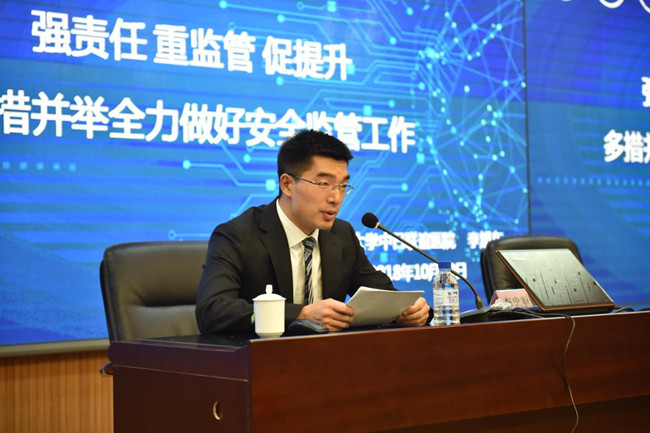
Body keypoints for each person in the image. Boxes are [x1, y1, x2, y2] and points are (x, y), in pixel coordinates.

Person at [196, 129, 431, 334]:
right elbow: (213, 311)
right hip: (261, 360)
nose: (335, 198)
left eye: (342, 185)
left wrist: (407, 311)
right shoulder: (238, 235)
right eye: (323, 184)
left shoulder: (342, 235)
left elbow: (381, 293)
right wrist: (301, 314)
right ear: (287, 184)